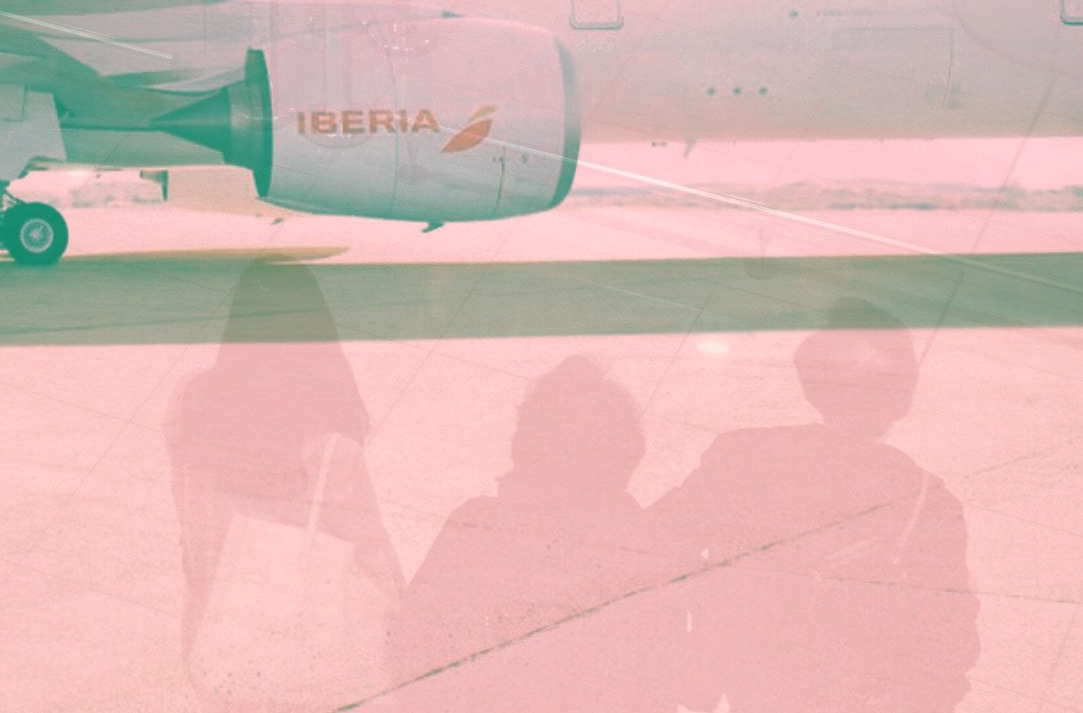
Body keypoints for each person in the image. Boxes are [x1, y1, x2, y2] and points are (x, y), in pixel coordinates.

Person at [653, 298, 980, 712]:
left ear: (810, 381)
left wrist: (689, 670)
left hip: (744, 691)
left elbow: (650, 550)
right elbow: (947, 650)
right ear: (903, 397)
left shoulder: (743, 456)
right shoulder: (927, 504)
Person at [164, 261, 403, 712]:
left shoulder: (191, 407)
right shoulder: (330, 443)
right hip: (304, 649)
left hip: (216, 636)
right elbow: (371, 552)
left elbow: (191, 523)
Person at [389, 356, 682, 711]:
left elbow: (414, 658)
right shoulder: (646, 545)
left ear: (526, 444)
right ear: (625, 455)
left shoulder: (477, 529)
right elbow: (661, 682)